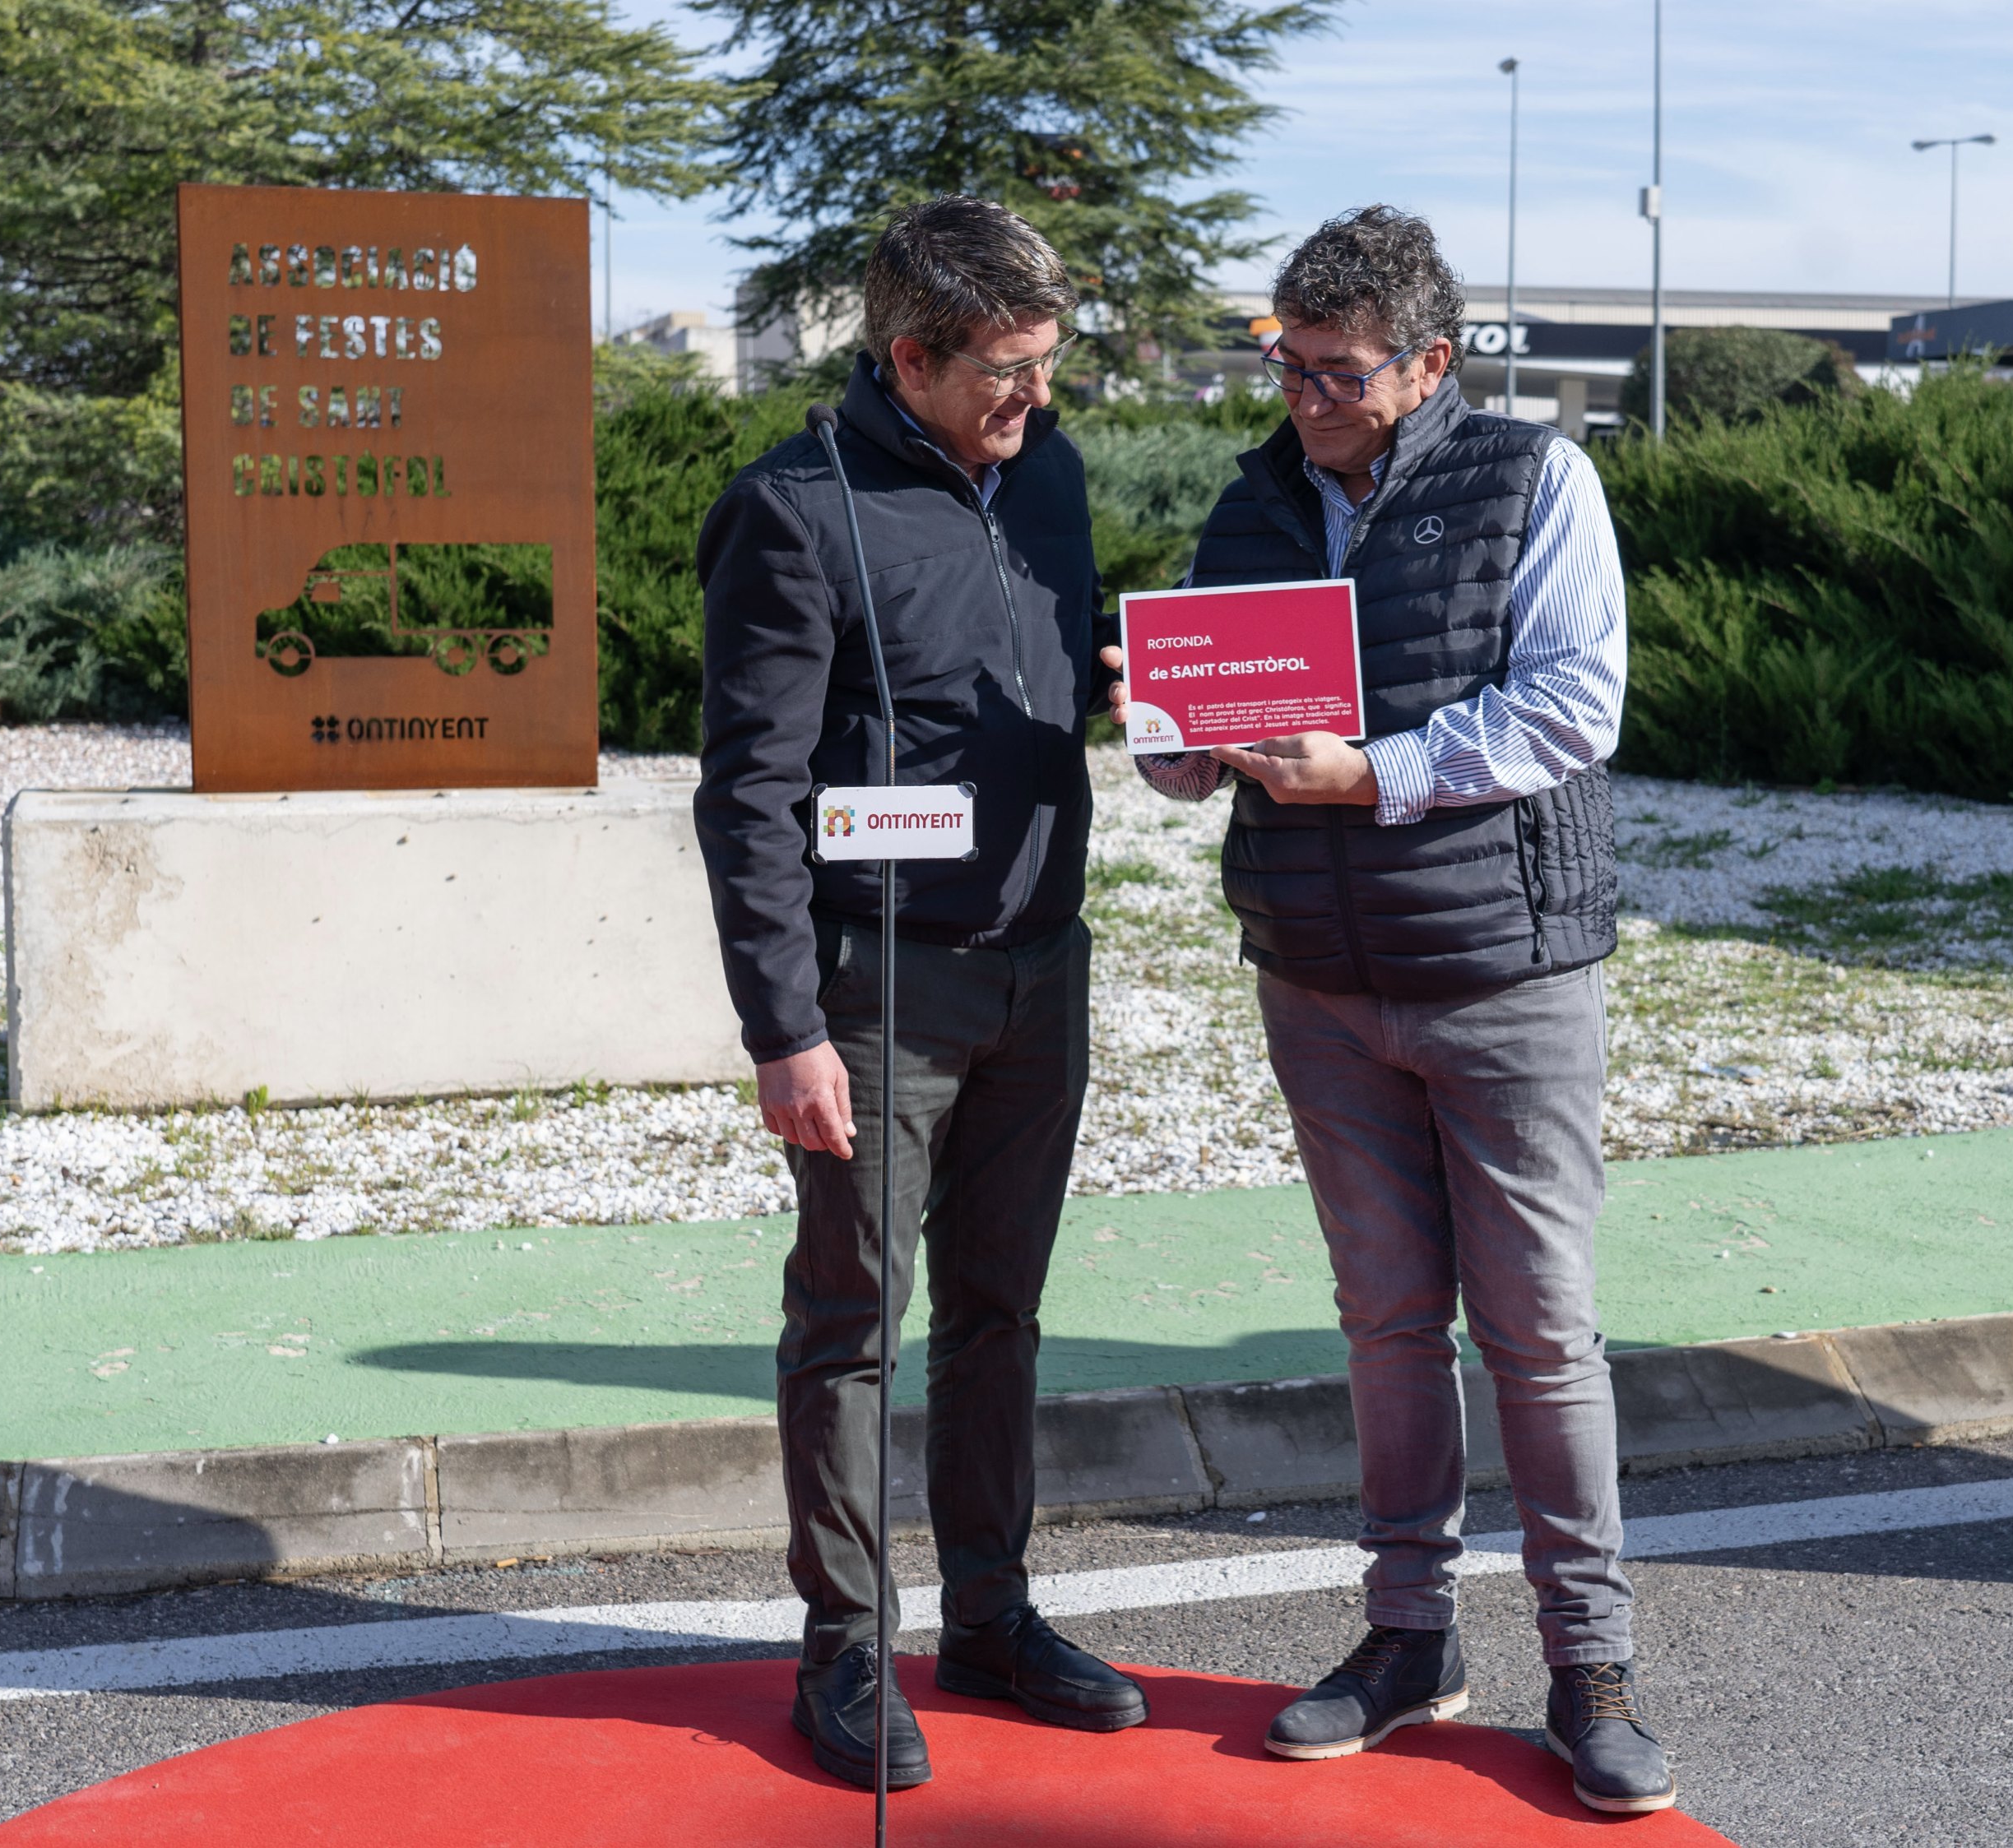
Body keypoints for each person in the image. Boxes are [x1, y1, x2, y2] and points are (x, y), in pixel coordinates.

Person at [1112, 205, 1673, 1815]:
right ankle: (1409, 1635)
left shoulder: (1535, 479)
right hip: (1317, 973)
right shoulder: (1258, 493)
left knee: (1543, 1332)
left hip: (1507, 971)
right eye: (1282, 359)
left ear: (1433, 363)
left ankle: (1592, 1664)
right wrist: (1167, 724)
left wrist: (1379, 777)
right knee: (1382, 1322)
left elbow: (1576, 702)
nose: (1301, 394)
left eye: (1336, 369)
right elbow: (1195, 734)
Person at [693, 195, 1143, 1790]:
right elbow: (745, 793)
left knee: (1000, 1318)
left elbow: (1077, 654)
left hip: (1042, 966)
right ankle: (844, 1651)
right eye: (1006, 375)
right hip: (876, 992)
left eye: (1046, 368)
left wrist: (1151, 700)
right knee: (851, 1329)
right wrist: (783, 1026)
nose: (1034, 403)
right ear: (911, 355)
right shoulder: (796, 511)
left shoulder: (1056, 476)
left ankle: (996, 1617)